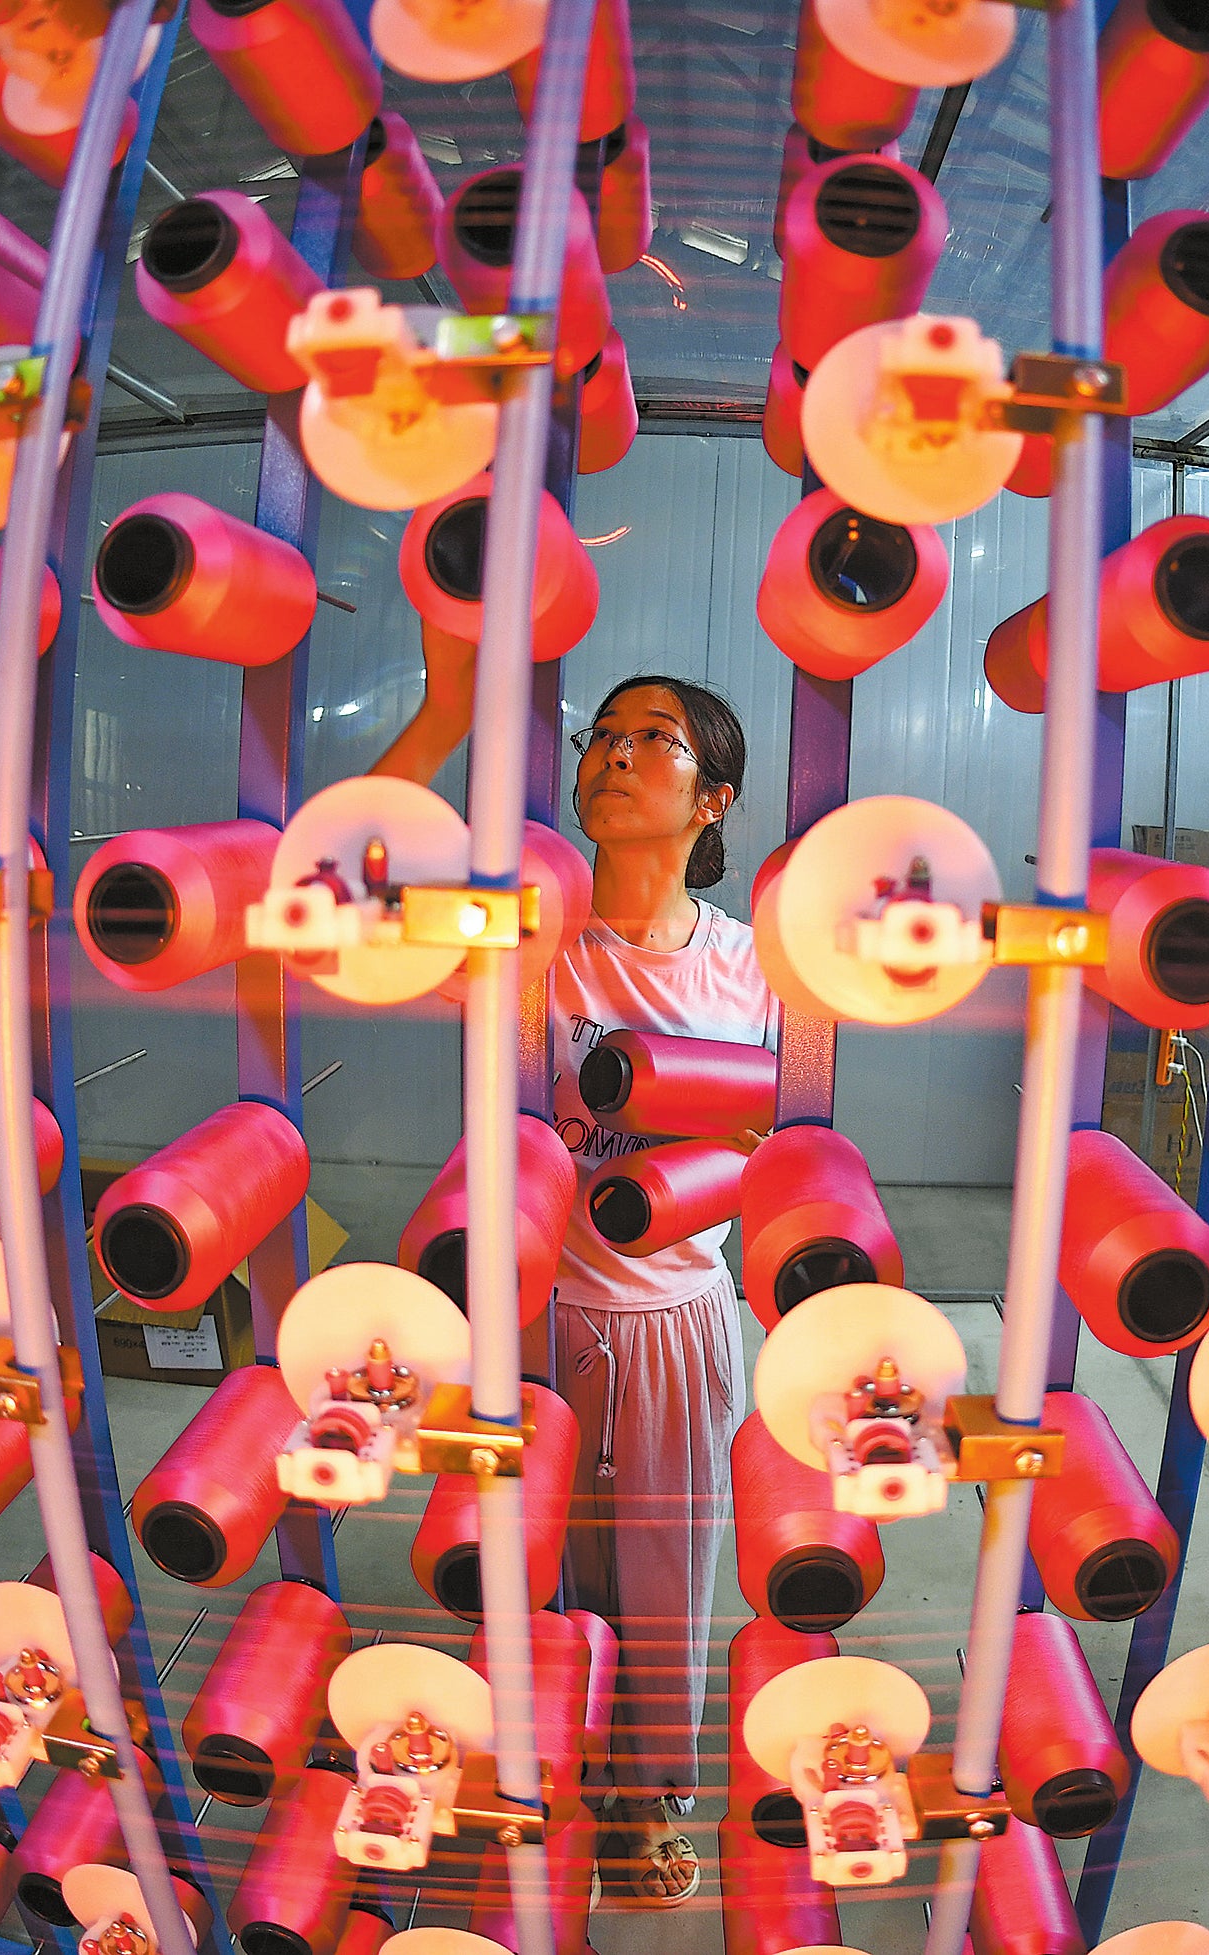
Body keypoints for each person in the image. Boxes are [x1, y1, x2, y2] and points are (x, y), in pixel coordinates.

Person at [376, 652, 770, 1907]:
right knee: (526, 1564)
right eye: (602, 732)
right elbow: (353, 885)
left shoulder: (759, 966)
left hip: (674, 1320)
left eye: (654, 736)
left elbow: (797, 1143)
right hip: (539, 1317)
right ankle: (541, 1771)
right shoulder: (525, 936)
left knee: (664, 1577)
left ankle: (649, 1796)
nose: (613, 749)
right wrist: (446, 710)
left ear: (714, 797)